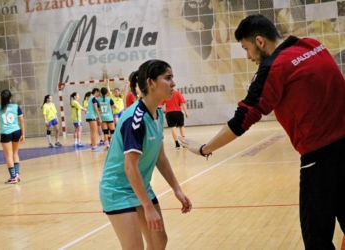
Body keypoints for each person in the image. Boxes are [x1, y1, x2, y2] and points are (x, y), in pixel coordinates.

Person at [179, 14, 345, 250]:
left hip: (319, 161)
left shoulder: (274, 67)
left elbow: (243, 118)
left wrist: (204, 148)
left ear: (259, 41)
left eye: (246, 49)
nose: (247, 57)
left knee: (316, 239)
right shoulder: (312, 45)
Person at [99, 59, 192, 249]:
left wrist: (177, 190)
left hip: (141, 187)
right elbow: (130, 166)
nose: (173, 83)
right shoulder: (135, 119)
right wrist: (148, 207)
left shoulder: (157, 114)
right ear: (150, 83)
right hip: (117, 190)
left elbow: (161, 158)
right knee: (135, 247)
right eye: (167, 78)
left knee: (159, 241)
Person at [0, 90, 25, 184]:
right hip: (16, 131)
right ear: (10, 97)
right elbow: (22, 121)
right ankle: (17, 174)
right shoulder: (16, 107)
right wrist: (23, 134)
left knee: (9, 155)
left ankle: (13, 177)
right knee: (15, 153)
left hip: (5, 133)